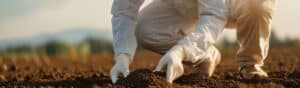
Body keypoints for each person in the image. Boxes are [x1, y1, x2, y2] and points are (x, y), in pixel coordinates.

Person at [110, 0, 276, 84]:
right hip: (186, 5)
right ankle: (206, 55)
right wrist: (123, 56)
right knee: (143, 28)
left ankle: (250, 64)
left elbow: (213, 16)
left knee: (257, 6)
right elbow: (124, 11)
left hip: (233, 3)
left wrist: (180, 51)